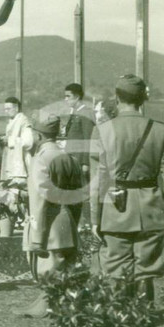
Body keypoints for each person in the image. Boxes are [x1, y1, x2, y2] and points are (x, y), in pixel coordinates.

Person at [89, 74, 164, 300]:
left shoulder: (103, 130)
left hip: (115, 209)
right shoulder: (161, 130)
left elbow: (98, 181)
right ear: (142, 99)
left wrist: (95, 219)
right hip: (151, 210)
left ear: (117, 98)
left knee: (115, 273)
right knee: (145, 275)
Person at [19, 116, 84, 327]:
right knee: (66, 282)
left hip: (48, 229)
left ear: (38, 135)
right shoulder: (67, 157)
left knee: (53, 283)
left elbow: (40, 200)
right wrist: (72, 223)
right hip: (66, 223)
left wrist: (37, 237)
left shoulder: (42, 158)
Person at [61, 83, 96, 225]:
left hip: (80, 162)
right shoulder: (75, 113)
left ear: (77, 96)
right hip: (72, 160)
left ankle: (84, 226)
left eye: (68, 96)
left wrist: (85, 163)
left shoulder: (86, 113)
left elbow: (88, 139)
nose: (66, 99)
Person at [0, 97, 33, 183]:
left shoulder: (23, 121)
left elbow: (28, 142)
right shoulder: (11, 121)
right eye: (5, 109)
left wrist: (9, 140)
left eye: (8, 109)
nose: (6, 111)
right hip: (10, 157)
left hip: (20, 158)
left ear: (16, 108)